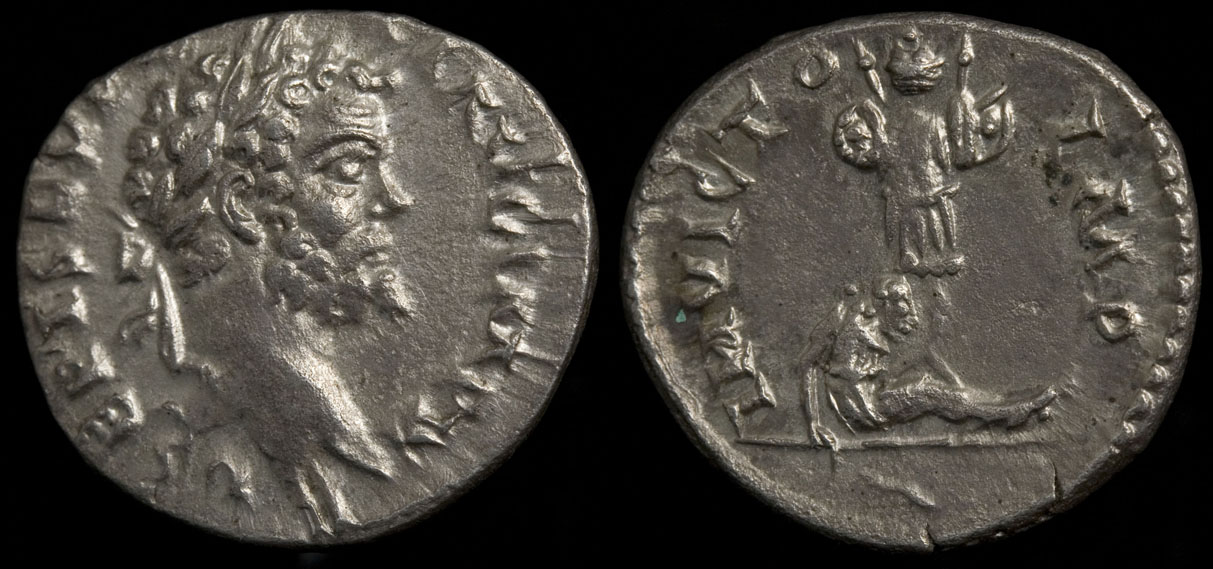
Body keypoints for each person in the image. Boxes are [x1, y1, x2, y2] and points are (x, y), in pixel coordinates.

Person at [119, 16, 413, 537]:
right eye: (348, 169)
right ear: (240, 203)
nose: (394, 200)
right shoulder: (214, 436)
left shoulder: (311, 416)